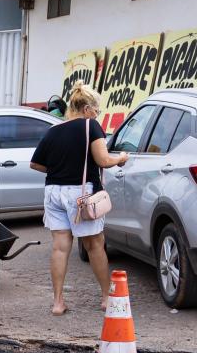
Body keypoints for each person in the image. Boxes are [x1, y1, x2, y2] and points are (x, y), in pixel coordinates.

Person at [28, 85, 129, 316]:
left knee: (60, 247)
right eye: (96, 110)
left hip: (53, 191)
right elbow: (103, 160)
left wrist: (61, 168)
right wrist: (121, 158)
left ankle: (57, 302)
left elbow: (35, 164)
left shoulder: (54, 130)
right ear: (86, 109)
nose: (98, 115)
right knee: (94, 244)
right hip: (80, 194)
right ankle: (106, 298)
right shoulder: (90, 125)